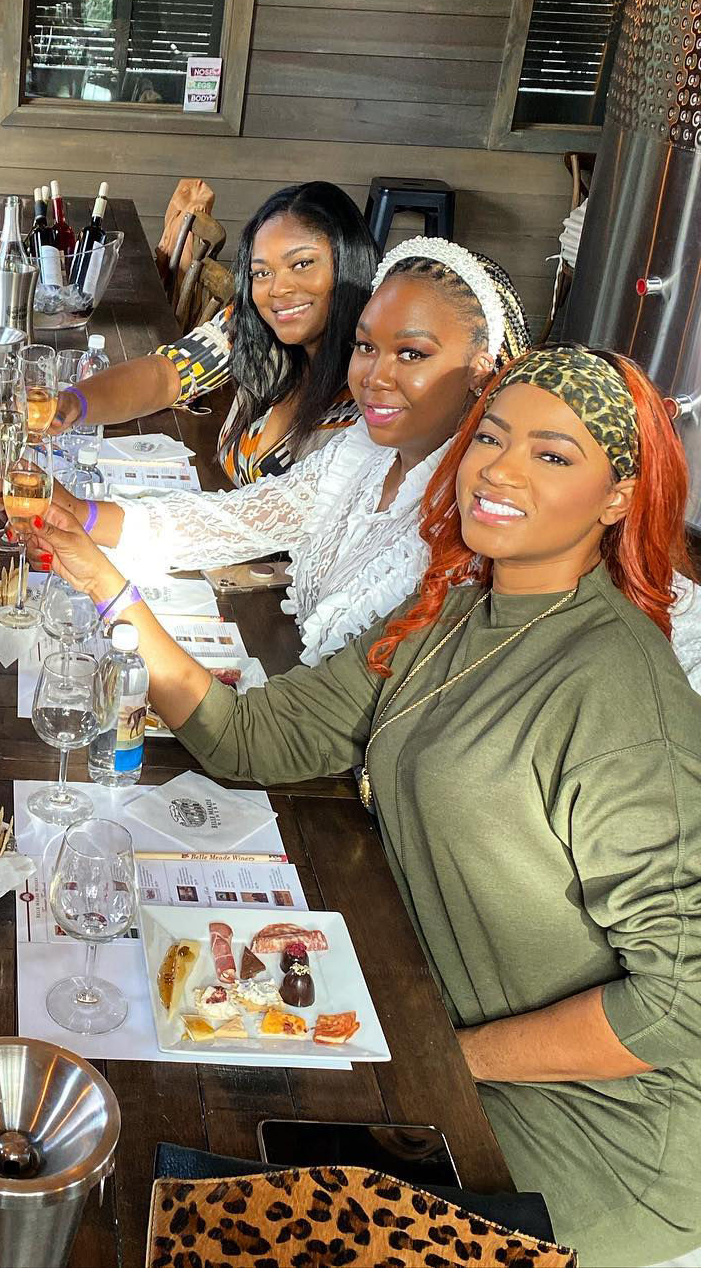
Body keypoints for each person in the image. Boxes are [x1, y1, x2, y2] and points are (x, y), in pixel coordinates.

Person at [35, 345, 701, 1265]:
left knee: (202, 1216)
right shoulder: (449, 615)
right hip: (433, 1038)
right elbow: (249, 739)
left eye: (553, 455)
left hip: (582, 1132)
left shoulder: (619, 685)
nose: (499, 470)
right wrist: (109, 587)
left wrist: (443, 1057)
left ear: (621, 496)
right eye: (492, 438)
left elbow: (682, 1003)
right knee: (142, 1145)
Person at [52, 239, 540, 665]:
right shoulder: (365, 456)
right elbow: (237, 520)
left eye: (412, 354)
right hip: (294, 716)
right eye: (366, 347)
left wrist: (108, 588)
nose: (375, 377)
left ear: (482, 369)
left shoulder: (472, 519)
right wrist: (81, 515)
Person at [51, 181, 378, 484]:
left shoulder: (373, 390)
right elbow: (169, 375)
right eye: (261, 272)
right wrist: (73, 403)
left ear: (349, 261)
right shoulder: (258, 327)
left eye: (302, 264)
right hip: (223, 526)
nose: (278, 289)